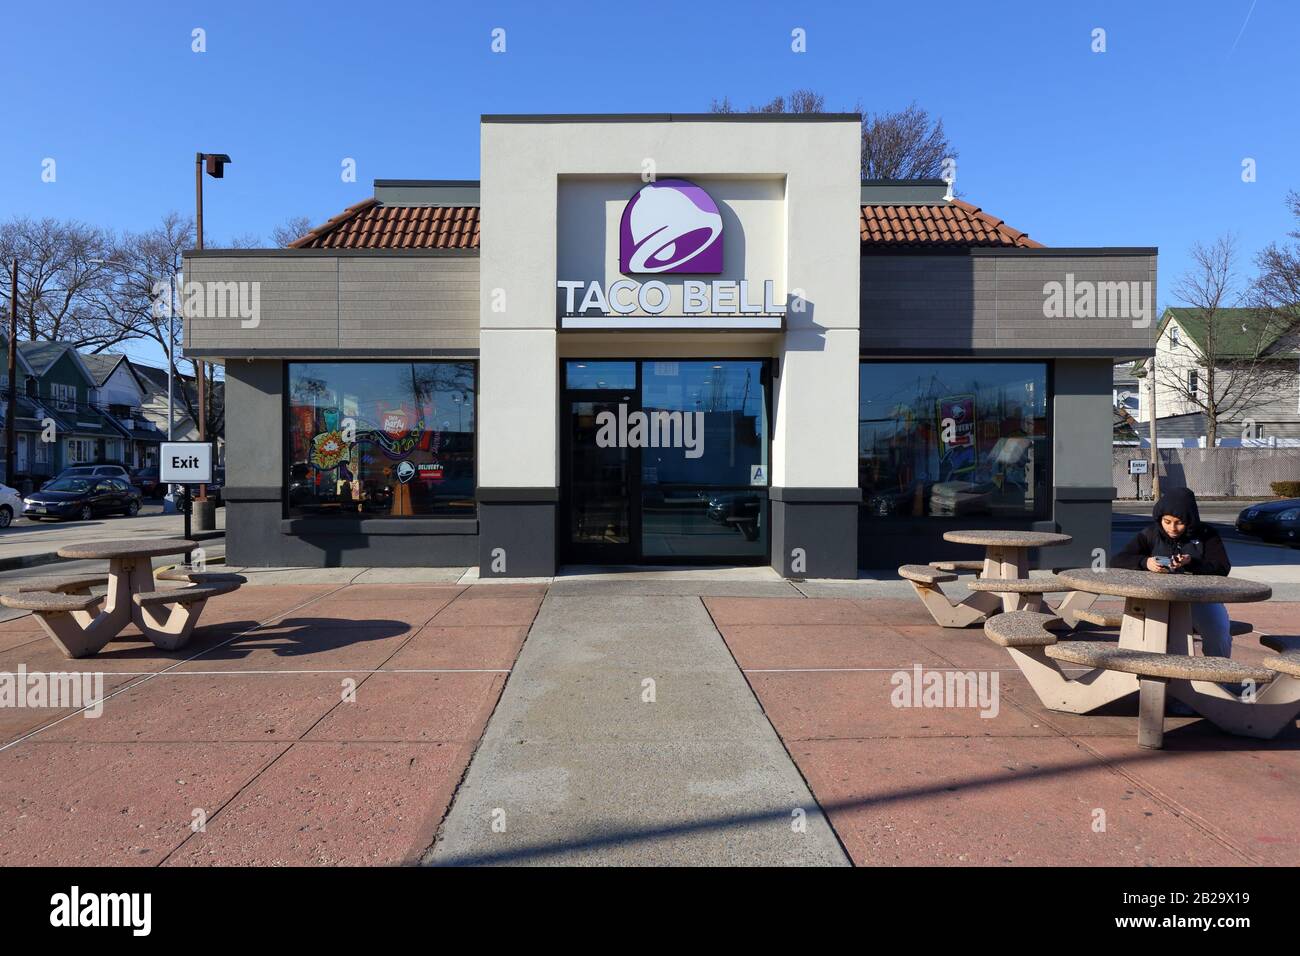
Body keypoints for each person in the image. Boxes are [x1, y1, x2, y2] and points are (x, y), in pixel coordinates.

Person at [1112, 487, 1234, 657]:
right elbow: (1118, 560)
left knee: (1219, 632)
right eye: (1167, 521)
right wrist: (1145, 562)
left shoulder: (1207, 534)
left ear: (1190, 521)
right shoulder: (1150, 534)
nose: (1173, 528)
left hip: (1201, 598)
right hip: (1157, 599)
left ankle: (1218, 677)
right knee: (1148, 635)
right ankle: (1146, 676)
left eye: (1179, 522)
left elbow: (1222, 567)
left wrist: (1192, 563)